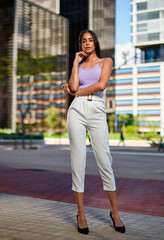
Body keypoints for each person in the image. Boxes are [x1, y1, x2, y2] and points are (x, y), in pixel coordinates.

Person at [62, 29, 125, 235]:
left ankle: (115, 213)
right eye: (83, 41)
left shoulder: (106, 61)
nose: (87, 43)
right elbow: (72, 85)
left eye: (90, 40)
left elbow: (101, 85)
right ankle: (81, 213)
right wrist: (74, 64)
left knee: (105, 160)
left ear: (95, 43)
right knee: (77, 161)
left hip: (96, 109)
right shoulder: (79, 65)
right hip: (76, 110)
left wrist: (75, 91)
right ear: (80, 45)